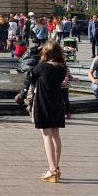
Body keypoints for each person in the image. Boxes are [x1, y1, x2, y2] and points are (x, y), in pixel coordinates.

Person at [30, 41, 67, 182]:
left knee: (46, 135)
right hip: (57, 103)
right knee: (55, 134)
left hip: (44, 103)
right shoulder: (62, 67)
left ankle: (51, 169)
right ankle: (56, 168)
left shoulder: (42, 67)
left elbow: (30, 74)